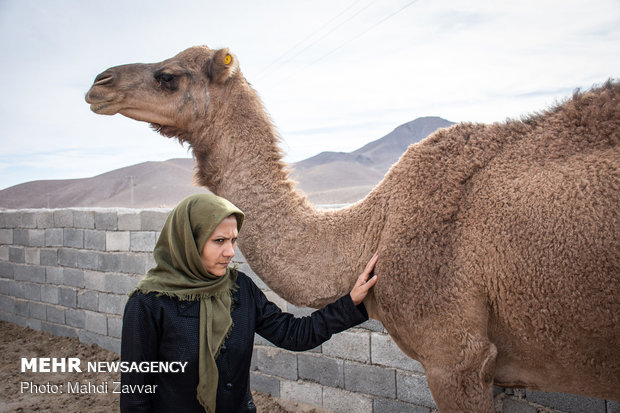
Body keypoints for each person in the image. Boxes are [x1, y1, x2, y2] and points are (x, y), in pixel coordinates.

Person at [120, 193, 378, 413]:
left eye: (233, 240)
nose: (231, 252)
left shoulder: (239, 289)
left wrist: (350, 303)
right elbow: (135, 394)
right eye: (219, 241)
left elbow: (294, 334)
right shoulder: (149, 304)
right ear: (189, 241)